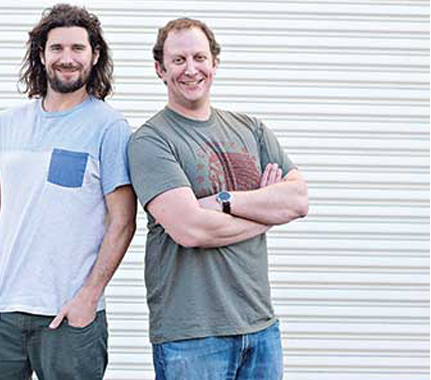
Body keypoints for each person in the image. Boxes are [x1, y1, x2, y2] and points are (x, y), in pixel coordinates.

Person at [127, 18, 308, 380]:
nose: (190, 69)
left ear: (215, 63)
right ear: (160, 69)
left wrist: (223, 200)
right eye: (178, 60)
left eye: (199, 57)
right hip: (191, 335)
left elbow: (298, 200)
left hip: (260, 327)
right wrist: (265, 208)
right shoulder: (151, 141)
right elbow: (191, 230)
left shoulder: (251, 129)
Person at [0, 4, 136, 380]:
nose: (67, 58)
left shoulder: (110, 128)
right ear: (41, 55)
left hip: (68, 318)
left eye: (78, 48)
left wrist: (89, 296)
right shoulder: (6, 125)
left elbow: (123, 223)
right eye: (57, 48)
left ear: (95, 56)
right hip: (1, 315)